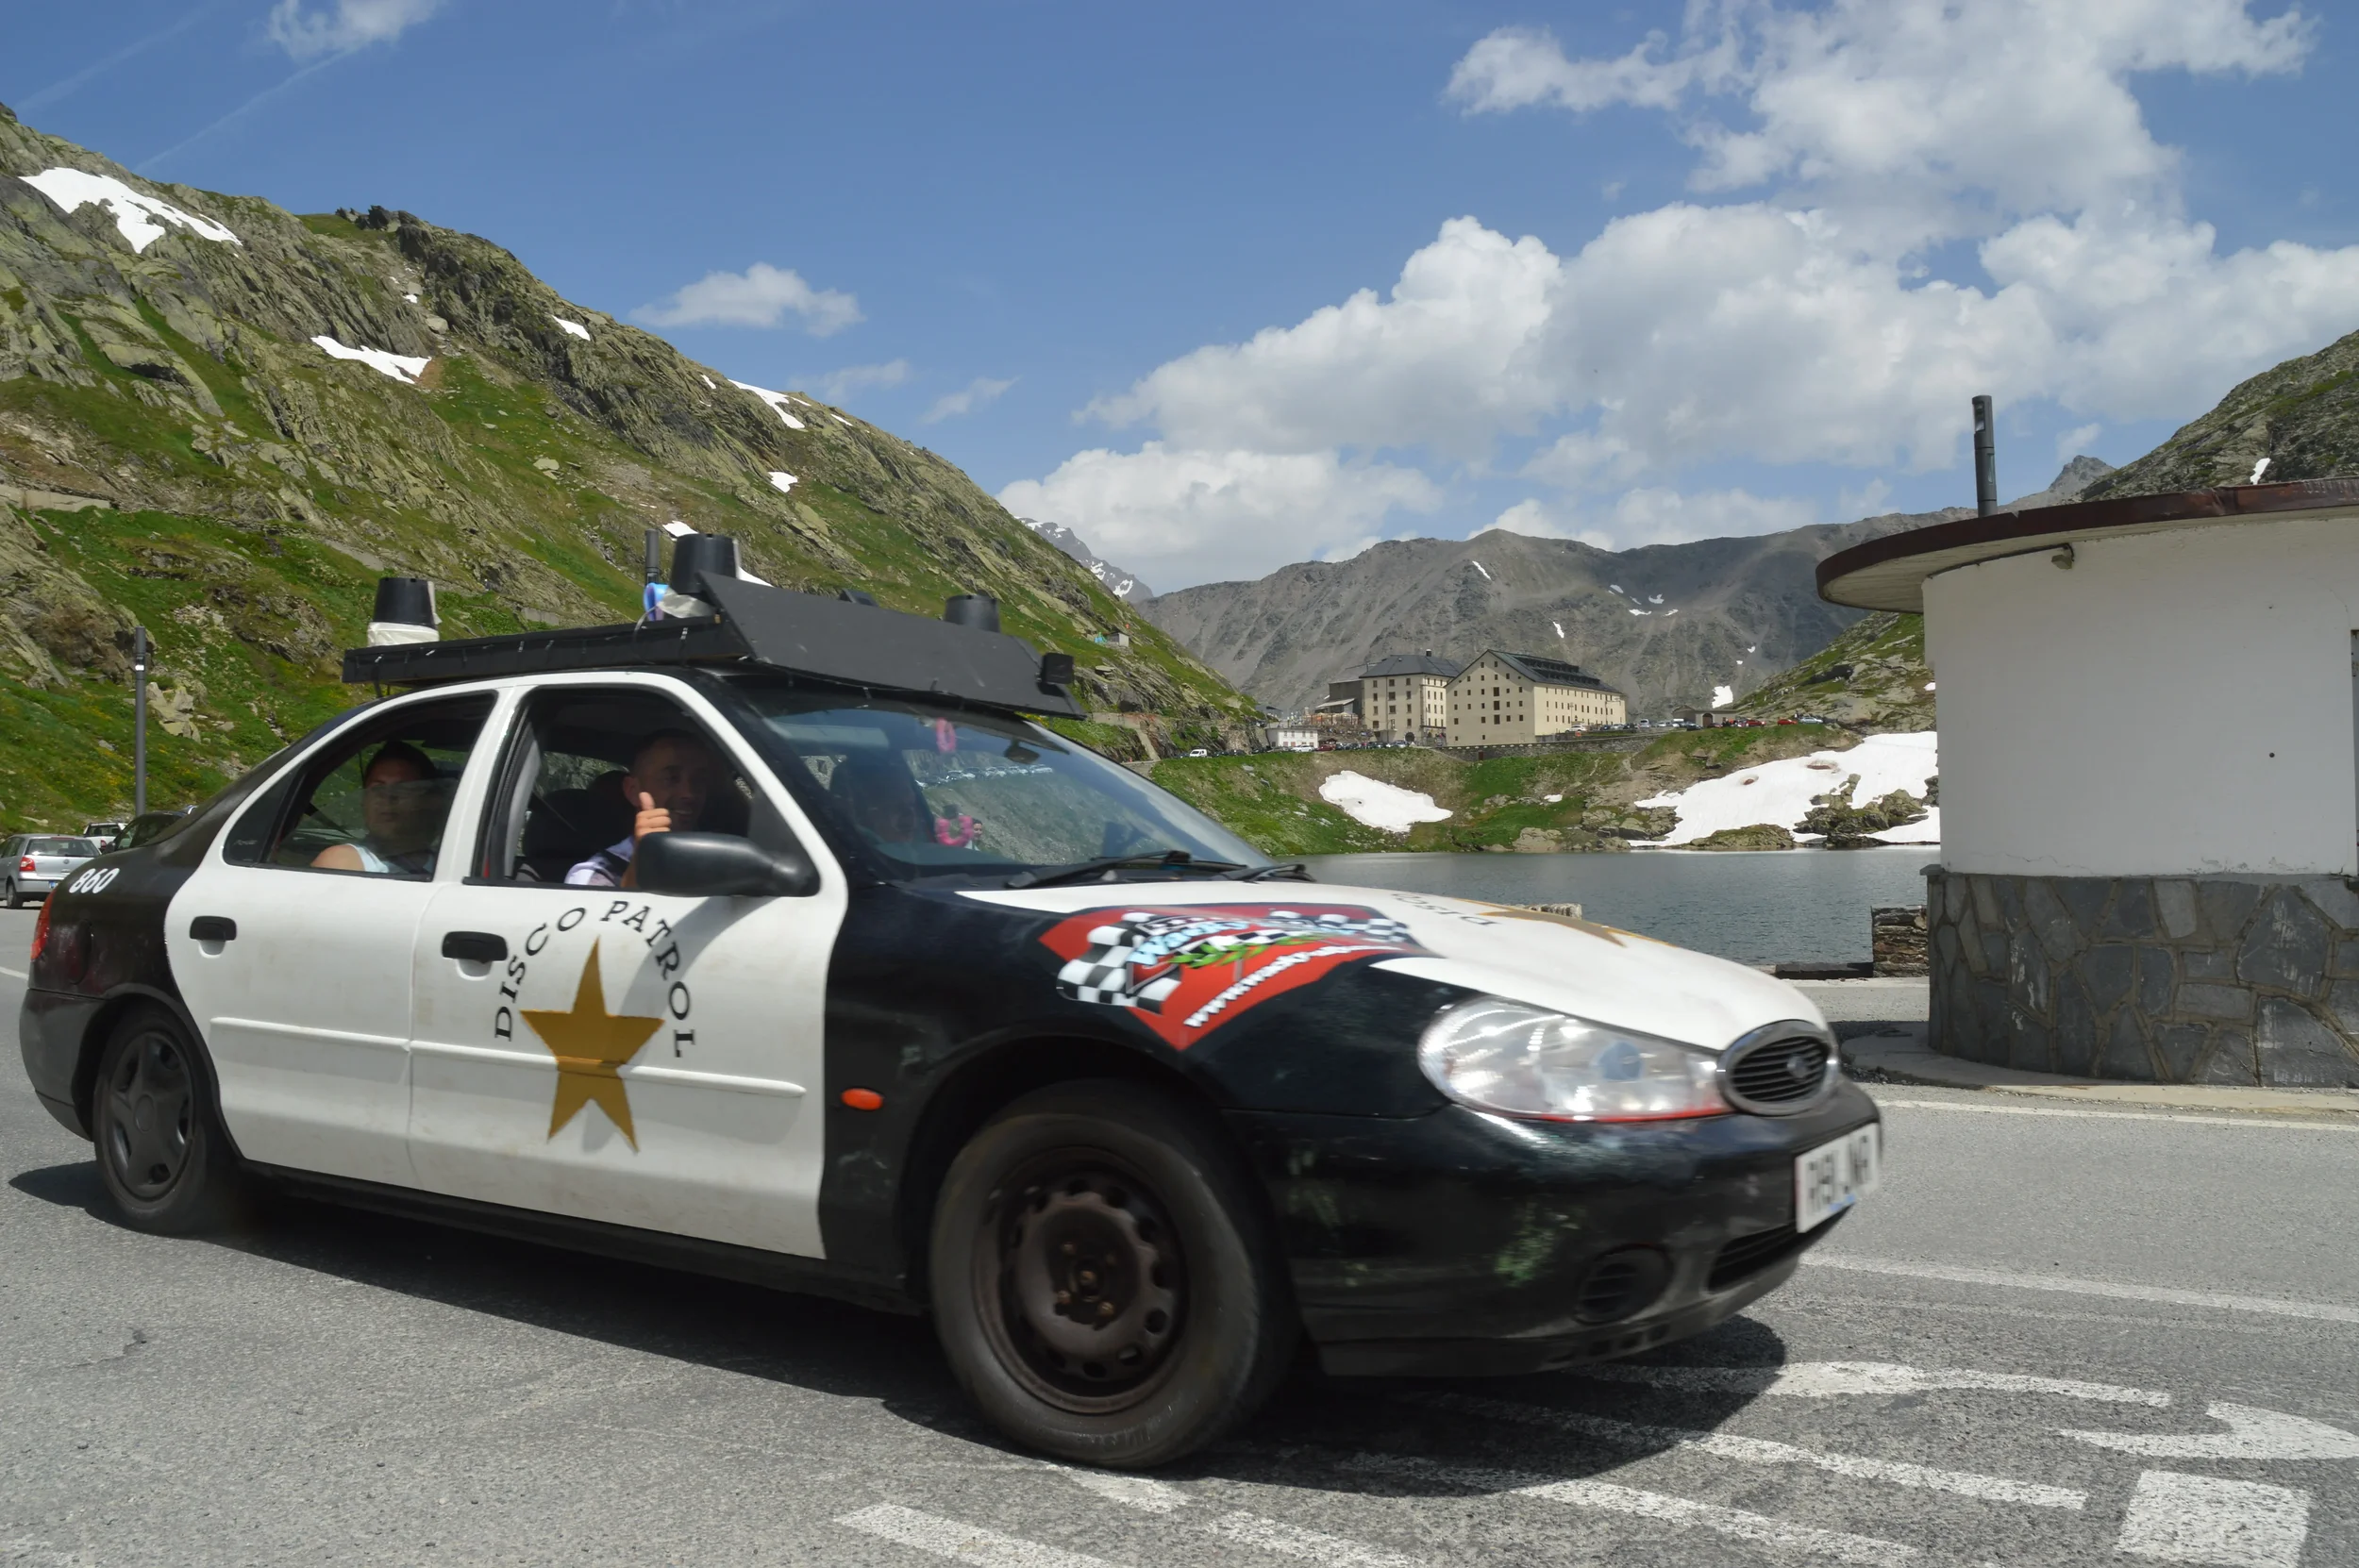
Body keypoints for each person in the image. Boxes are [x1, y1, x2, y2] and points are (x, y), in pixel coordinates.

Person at [566, 729, 720, 889]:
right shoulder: (598, 875)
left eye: (699, 780)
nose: (689, 793)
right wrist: (643, 857)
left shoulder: (721, 857)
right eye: (671, 779)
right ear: (633, 791)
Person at [311, 742, 450, 875]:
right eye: (377, 788)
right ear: (364, 799)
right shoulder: (344, 862)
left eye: (403, 788)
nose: (388, 797)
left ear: (431, 800)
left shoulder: (453, 862)